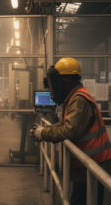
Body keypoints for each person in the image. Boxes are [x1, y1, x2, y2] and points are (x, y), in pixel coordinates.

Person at [30, 58, 111, 205]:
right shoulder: (74, 96)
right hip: (90, 164)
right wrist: (45, 129)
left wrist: (43, 133)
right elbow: (64, 124)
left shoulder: (79, 99)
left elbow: (69, 131)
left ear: (65, 80)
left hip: (92, 165)